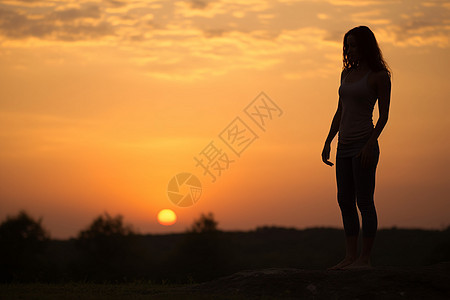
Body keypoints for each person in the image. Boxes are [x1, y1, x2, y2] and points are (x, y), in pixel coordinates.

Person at [322, 26, 391, 270]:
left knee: (364, 201)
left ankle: (365, 259)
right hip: (344, 146)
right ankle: (350, 256)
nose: (349, 50)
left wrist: (370, 144)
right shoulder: (345, 75)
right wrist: (328, 140)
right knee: (344, 200)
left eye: (353, 45)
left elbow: (384, 116)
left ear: (366, 46)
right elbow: (340, 111)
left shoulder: (379, 76)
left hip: (364, 144)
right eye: (347, 45)